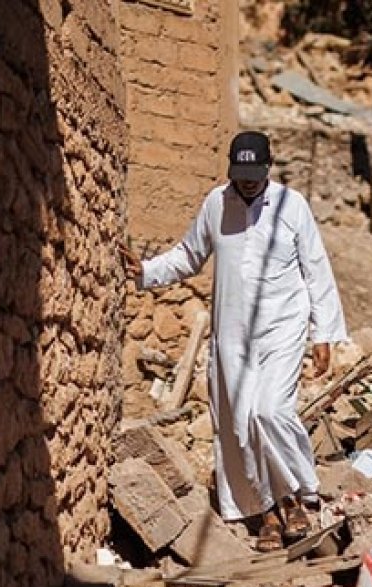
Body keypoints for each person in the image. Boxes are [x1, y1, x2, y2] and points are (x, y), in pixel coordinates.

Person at [119, 131, 348, 550]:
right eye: (240, 175)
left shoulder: (291, 206)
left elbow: (317, 269)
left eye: (254, 174)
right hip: (231, 335)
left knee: (270, 411)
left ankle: (298, 494)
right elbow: (189, 255)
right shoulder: (215, 204)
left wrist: (325, 333)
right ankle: (267, 514)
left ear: (268, 168)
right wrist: (144, 273)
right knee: (238, 425)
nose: (247, 182)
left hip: (283, 325)